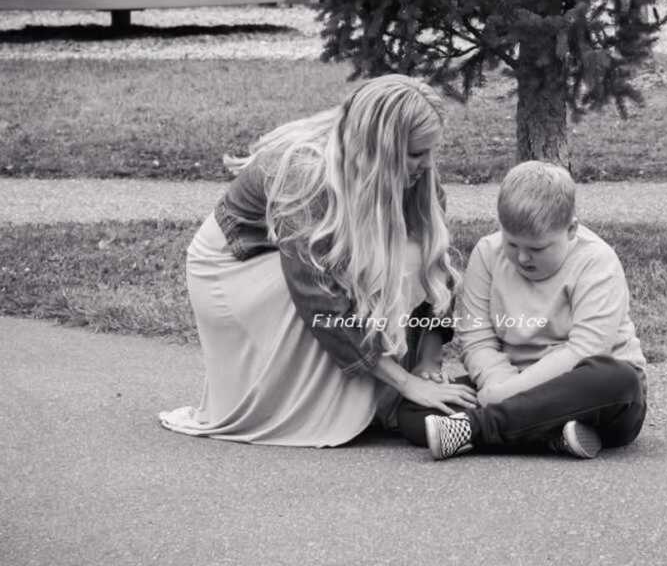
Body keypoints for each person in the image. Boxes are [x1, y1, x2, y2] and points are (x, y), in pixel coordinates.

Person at [158, 74, 477, 447]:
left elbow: (435, 268)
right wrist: (407, 384)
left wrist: (429, 363)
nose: (427, 164)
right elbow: (319, 299)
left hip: (308, 263)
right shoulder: (303, 174)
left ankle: (372, 393)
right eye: (415, 154)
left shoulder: (417, 175)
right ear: (380, 149)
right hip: (238, 268)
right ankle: (332, 403)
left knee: (409, 254)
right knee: (372, 269)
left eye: (430, 151)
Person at [396, 160, 647, 460]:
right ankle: (552, 434)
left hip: (586, 394)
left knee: (619, 380)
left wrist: (503, 397)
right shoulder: (487, 253)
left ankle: (478, 430)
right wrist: (498, 384)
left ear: (571, 230)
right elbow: (477, 339)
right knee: (413, 410)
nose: (523, 257)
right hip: (507, 380)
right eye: (512, 244)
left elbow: (586, 350)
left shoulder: (597, 262)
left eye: (538, 248)